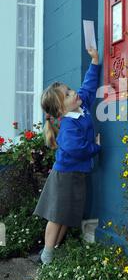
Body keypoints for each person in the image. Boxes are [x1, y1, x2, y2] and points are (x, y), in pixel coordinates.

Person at [33, 47, 101, 265]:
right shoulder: (69, 124)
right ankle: (47, 255)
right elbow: (77, 149)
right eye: (69, 94)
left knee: (64, 216)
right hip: (65, 176)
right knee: (57, 216)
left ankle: (52, 252)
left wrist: (95, 61)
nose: (75, 93)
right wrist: (95, 147)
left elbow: (88, 88)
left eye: (70, 89)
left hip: (75, 173)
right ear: (61, 109)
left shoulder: (81, 108)